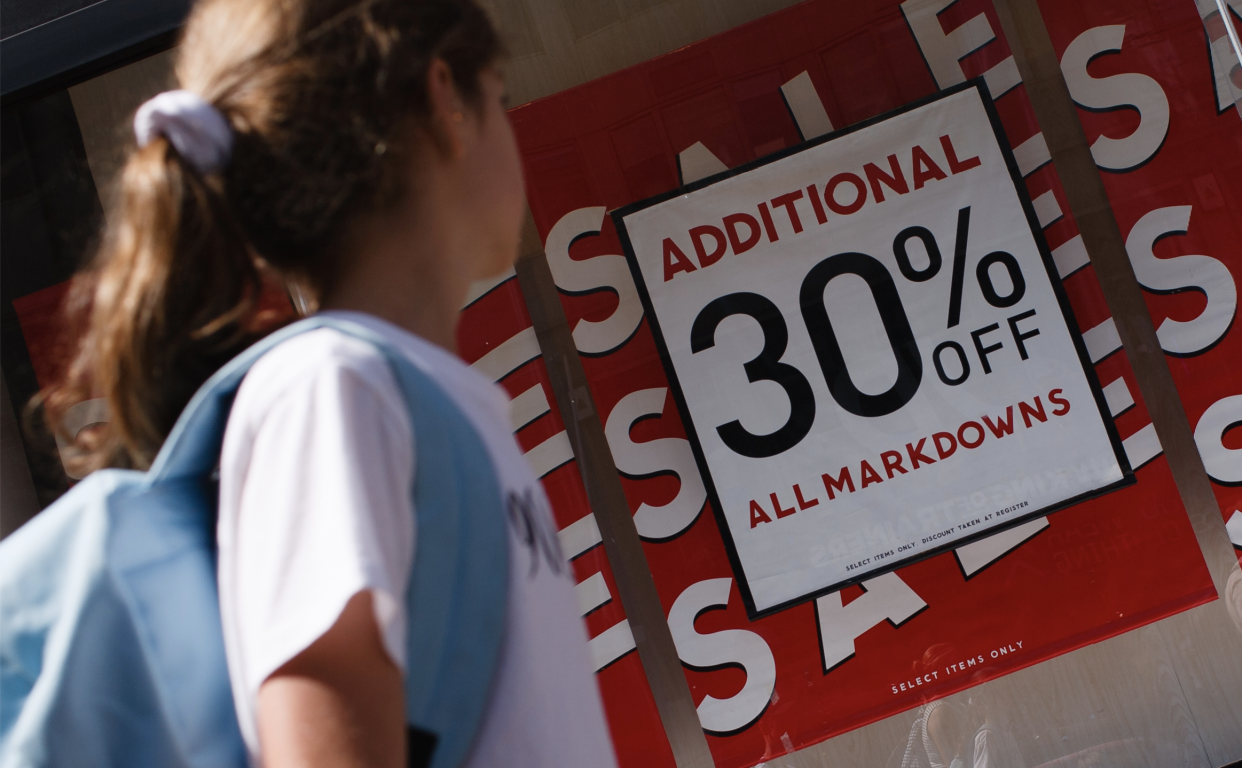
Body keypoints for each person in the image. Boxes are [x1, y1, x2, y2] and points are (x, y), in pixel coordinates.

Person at [41, 0, 618, 766]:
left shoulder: (399, 398)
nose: (512, 128)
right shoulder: (335, 393)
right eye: (501, 96)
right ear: (446, 99)